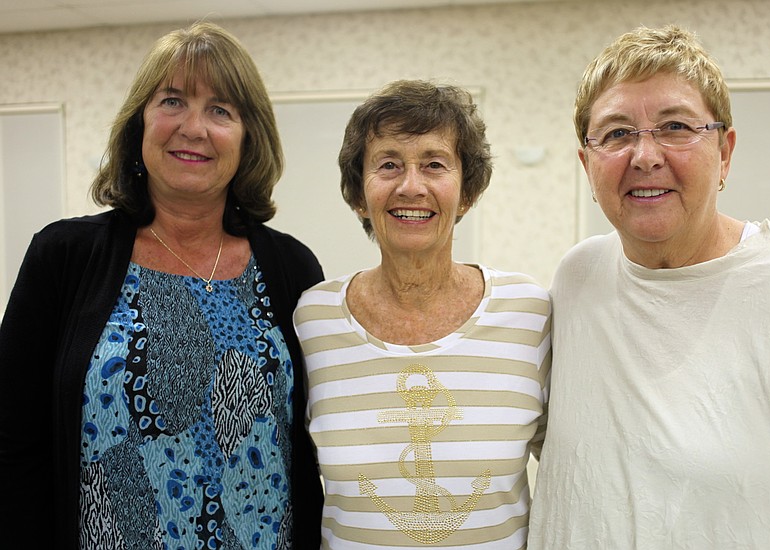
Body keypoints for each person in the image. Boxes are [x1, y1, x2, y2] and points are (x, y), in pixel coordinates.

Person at [0, 21, 323, 549]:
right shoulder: (63, 256)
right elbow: (14, 444)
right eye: (172, 101)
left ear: (249, 137)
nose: (193, 128)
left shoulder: (292, 268)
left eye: (220, 110)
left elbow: (309, 443)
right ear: (139, 123)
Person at [528, 24, 770, 549]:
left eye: (675, 127)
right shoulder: (577, 277)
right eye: (617, 133)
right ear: (587, 164)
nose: (645, 156)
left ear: (724, 152)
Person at [293, 79, 551, 548]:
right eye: (388, 165)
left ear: (466, 192)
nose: (411, 186)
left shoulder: (528, 313)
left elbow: (568, 470)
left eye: (434, 164)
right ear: (358, 195)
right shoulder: (313, 320)